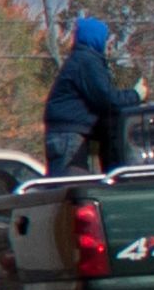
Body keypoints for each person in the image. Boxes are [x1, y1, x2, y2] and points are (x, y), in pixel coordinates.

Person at [44, 14, 136, 174]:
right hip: (68, 136)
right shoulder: (86, 61)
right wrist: (136, 94)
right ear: (95, 38)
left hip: (65, 135)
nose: (109, 43)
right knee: (70, 185)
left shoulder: (82, 59)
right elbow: (106, 99)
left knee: (71, 182)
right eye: (106, 38)